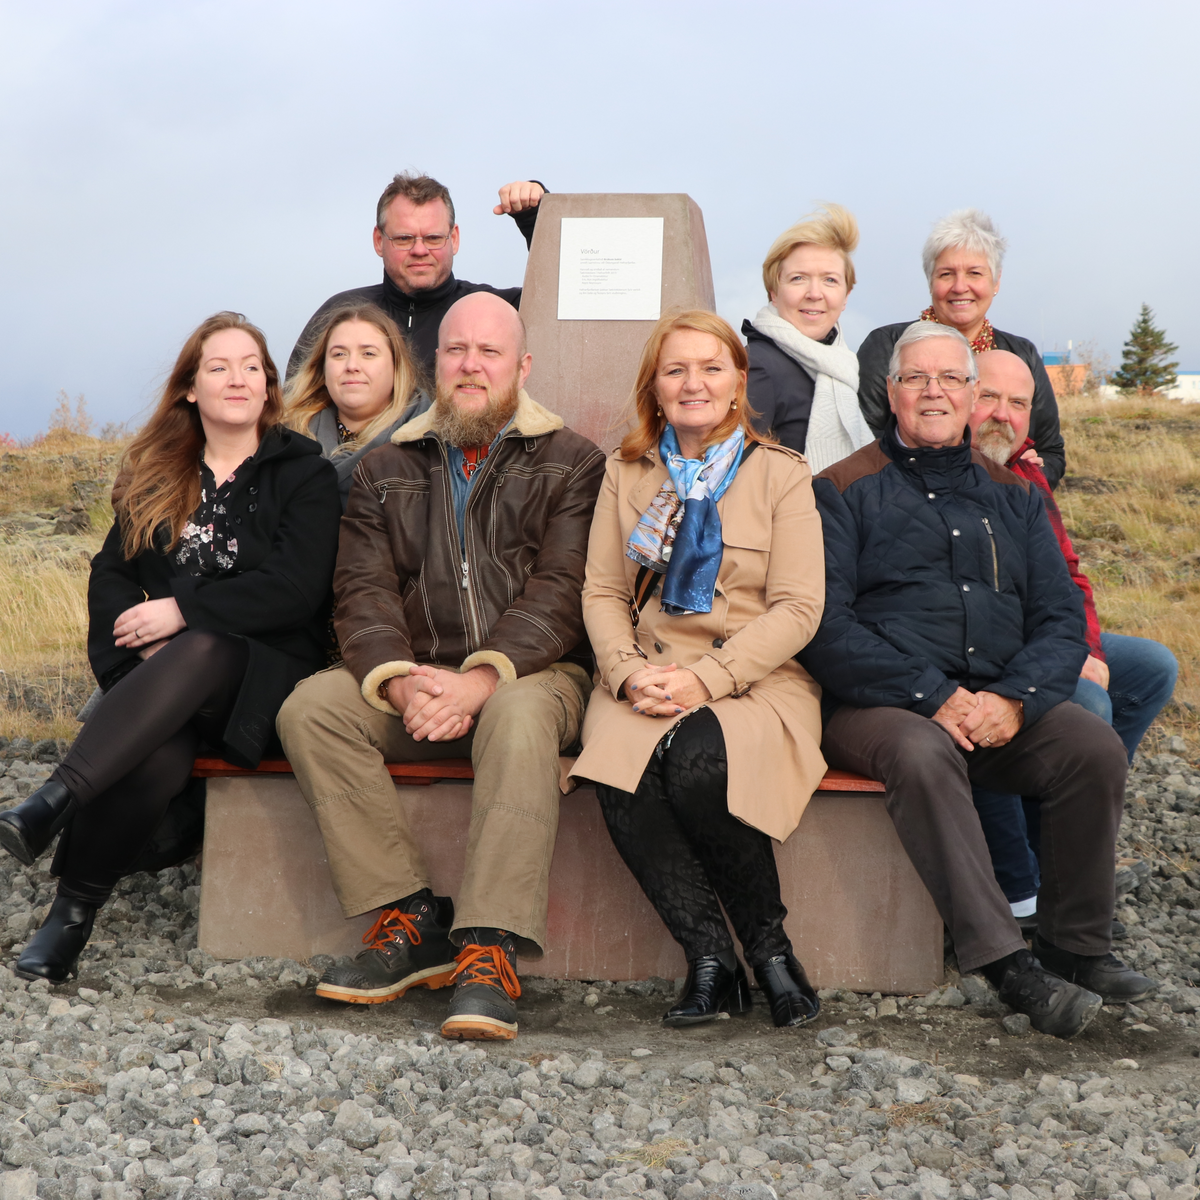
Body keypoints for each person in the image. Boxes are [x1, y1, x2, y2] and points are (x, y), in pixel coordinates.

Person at [798, 320, 1155, 1040]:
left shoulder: (1015, 495)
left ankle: (1074, 945)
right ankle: (1004, 963)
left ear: (970, 394)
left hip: (996, 700)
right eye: (916, 378)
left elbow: (1060, 620)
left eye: (950, 379)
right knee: (922, 749)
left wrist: (1015, 700)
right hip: (880, 704)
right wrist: (933, 696)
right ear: (891, 393)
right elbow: (825, 627)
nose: (933, 392)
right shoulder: (838, 489)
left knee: (1090, 747)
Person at [276, 291, 606, 1041]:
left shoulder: (573, 460)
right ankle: (411, 914)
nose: (471, 366)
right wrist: (400, 681)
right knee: (312, 709)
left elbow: (562, 590)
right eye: (457, 351)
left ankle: (489, 949)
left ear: (522, 366)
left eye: (490, 352)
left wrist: (481, 680)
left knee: (517, 716)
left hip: (534, 675)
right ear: (435, 364)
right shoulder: (386, 464)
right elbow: (362, 589)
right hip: (420, 676)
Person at [0, 313, 340, 983]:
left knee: (204, 647)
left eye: (251, 367)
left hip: (265, 682)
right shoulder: (158, 471)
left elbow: (295, 589)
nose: (237, 378)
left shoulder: (304, 473)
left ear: (268, 386)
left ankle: (55, 800)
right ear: (190, 387)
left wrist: (180, 613)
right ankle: (71, 916)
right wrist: (136, 659)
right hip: (167, 685)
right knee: (158, 750)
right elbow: (111, 575)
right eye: (219, 367)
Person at [571, 310, 828, 1029]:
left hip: (754, 678)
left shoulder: (781, 475)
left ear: (738, 382)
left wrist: (705, 681)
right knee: (618, 769)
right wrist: (626, 673)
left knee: (695, 761)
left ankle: (770, 951)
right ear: (653, 388)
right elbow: (602, 591)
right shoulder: (625, 473)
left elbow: (799, 608)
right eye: (675, 370)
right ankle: (710, 959)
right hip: (646, 670)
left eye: (712, 368)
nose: (694, 383)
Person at [967, 349, 1178, 921]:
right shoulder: (949, 472)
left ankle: (1072, 831)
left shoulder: (1028, 471)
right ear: (961, 396)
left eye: (1018, 403)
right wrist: (1064, 658)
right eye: (989, 397)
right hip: (997, 651)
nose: (1003, 415)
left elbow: (1069, 574)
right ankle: (1051, 862)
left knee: (1152, 668)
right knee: (1087, 703)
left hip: (1047, 634)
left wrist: (1089, 649)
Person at [856, 209, 1067, 488]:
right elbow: (862, 439)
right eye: (946, 274)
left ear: (996, 282)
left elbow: (1051, 452)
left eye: (974, 273)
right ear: (930, 281)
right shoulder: (888, 345)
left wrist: (1027, 472)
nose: (960, 286)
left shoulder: (1020, 355)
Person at [288, 173, 547, 379]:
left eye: (433, 238)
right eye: (404, 238)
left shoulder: (499, 309)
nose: (420, 250)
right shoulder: (340, 313)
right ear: (379, 241)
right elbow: (294, 404)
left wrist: (536, 218)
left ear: (454, 239)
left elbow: (559, 307)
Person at [741, 204, 874, 471]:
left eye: (830, 280)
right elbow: (735, 472)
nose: (814, 293)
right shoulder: (757, 366)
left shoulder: (841, 365)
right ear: (774, 292)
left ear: (846, 296)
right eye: (798, 278)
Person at [285, 303, 430, 509]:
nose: (352, 366)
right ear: (322, 370)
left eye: (368, 353)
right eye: (339, 354)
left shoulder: (432, 442)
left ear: (396, 367)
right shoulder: (286, 441)